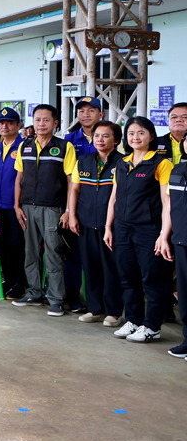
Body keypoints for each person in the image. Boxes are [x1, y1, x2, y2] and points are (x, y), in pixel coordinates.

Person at [105, 117, 172, 343]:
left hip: (149, 229)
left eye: (141, 133)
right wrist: (108, 227)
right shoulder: (122, 163)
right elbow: (114, 197)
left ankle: (152, 326)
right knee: (127, 276)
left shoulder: (161, 163)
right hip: (122, 228)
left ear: (151, 136)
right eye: (131, 133)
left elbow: (167, 202)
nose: (136, 137)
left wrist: (164, 234)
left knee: (152, 278)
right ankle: (133, 320)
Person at [11, 104, 77, 317]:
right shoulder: (25, 146)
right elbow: (19, 177)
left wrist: (68, 210)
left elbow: (71, 181)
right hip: (28, 207)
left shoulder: (65, 147)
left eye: (46, 120)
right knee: (30, 251)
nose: (41, 124)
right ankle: (33, 292)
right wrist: (16, 206)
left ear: (55, 123)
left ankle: (56, 299)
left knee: (53, 252)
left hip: (53, 208)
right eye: (37, 119)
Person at [66, 120, 123, 326]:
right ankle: (95, 309)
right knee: (90, 267)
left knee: (112, 268)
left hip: (113, 226)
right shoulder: (83, 161)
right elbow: (74, 189)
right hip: (86, 221)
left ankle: (114, 311)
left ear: (116, 140)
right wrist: (72, 215)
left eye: (106, 136)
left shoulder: (123, 162)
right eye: (97, 136)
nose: (100, 139)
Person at [0, 107, 26, 300]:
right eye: (1, 123)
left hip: (16, 207)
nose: (5, 126)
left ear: (18, 125)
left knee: (17, 246)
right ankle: (9, 281)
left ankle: (20, 284)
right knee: (3, 245)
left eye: (10, 122)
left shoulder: (25, 147)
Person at [158, 138, 187, 357]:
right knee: (184, 293)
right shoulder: (177, 170)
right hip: (180, 240)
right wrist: (164, 236)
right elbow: (168, 206)